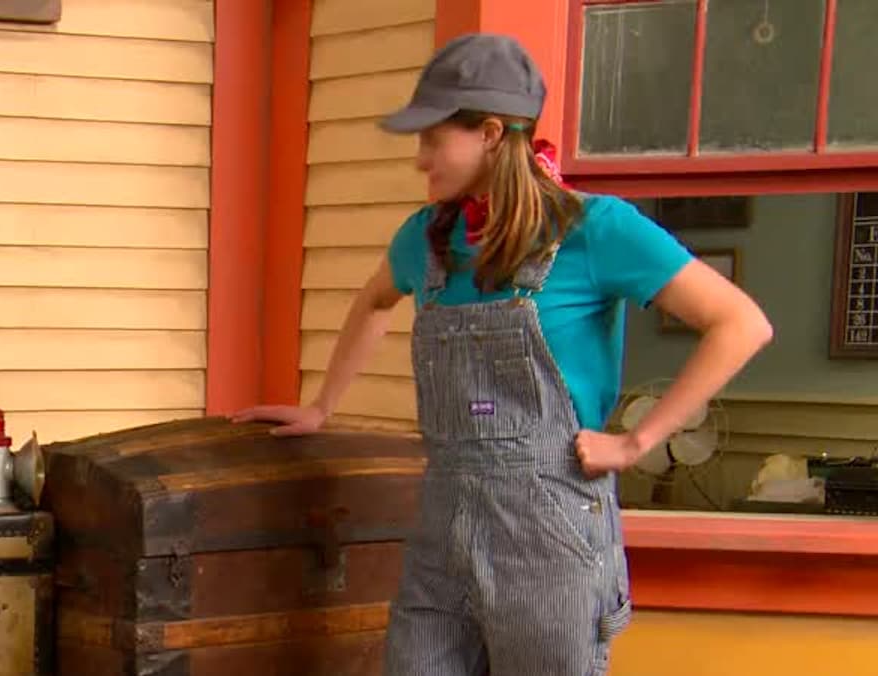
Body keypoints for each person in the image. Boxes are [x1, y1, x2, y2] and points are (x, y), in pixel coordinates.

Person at [233, 34, 772, 675]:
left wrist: (636, 441)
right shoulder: (428, 240)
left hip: (550, 535)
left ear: (490, 134)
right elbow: (374, 302)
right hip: (442, 530)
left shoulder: (593, 230)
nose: (420, 160)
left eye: (433, 139)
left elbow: (741, 324)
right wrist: (322, 407)